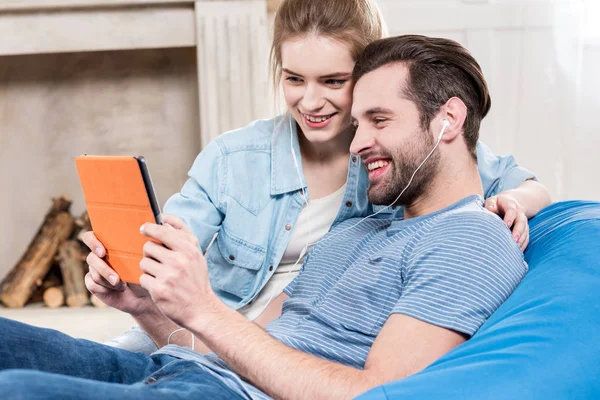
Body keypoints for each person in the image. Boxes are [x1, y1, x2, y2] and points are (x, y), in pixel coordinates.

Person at [0, 34, 530, 400]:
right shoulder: (357, 230)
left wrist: (206, 307)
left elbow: (376, 392)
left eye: (379, 120)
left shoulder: (472, 239)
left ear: (449, 120)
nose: (358, 141)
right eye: (358, 121)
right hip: (180, 371)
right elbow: (236, 347)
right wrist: (146, 309)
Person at [84, 0, 551, 355]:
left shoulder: (403, 154)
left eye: (333, 81)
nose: (310, 102)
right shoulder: (234, 157)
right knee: (80, 360)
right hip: (207, 327)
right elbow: (167, 254)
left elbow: (528, 186)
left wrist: (513, 200)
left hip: (296, 346)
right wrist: (130, 277)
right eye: (293, 80)